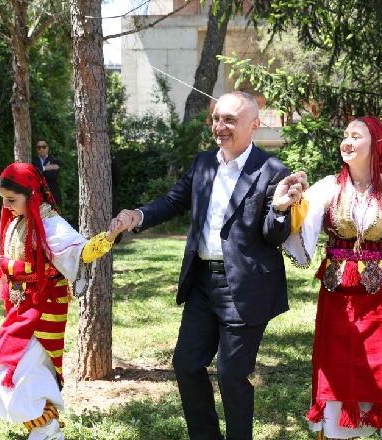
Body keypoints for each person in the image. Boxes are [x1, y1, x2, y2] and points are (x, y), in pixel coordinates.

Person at [114, 91, 306, 440]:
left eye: (230, 119)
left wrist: (279, 208)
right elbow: (174, 201)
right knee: (186, 364)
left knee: (231, 375)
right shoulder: (203, 162)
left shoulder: (272, 170)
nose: (220, 126)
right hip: (202, 283)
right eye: (217, 118)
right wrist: (137, 216)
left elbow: (273, 235)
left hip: (246, 287)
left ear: (254, 125)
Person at [281, 116, 382, 439]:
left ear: (377, 145)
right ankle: (338, 430)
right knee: (336, 361)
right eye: (345, 135)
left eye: (356, 135)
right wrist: (294, 201)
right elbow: (303, 223)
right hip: (338, 295)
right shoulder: (329, 186)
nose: (347, 141)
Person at [0, 162, 124, 440]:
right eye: (3, 199)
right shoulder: (16, 222)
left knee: (20, 373)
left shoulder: (50, 223)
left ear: (31, 194)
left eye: (11, 199)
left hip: (42, 310)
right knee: (14, 372)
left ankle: (47, 431)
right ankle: (47, 430)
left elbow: (81, 252)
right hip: (20, 310)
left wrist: (108, 237)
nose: (6, 206)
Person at [32, 139, 63, 208]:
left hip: (52, 196)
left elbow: (52, 176)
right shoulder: (32, 161)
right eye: (39, 147)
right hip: (37, 196)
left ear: (47, 147)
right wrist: (45, 168)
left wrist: (39, 172)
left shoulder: (54, 161)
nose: (41, 149)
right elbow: (33, 175)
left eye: (44, 147)